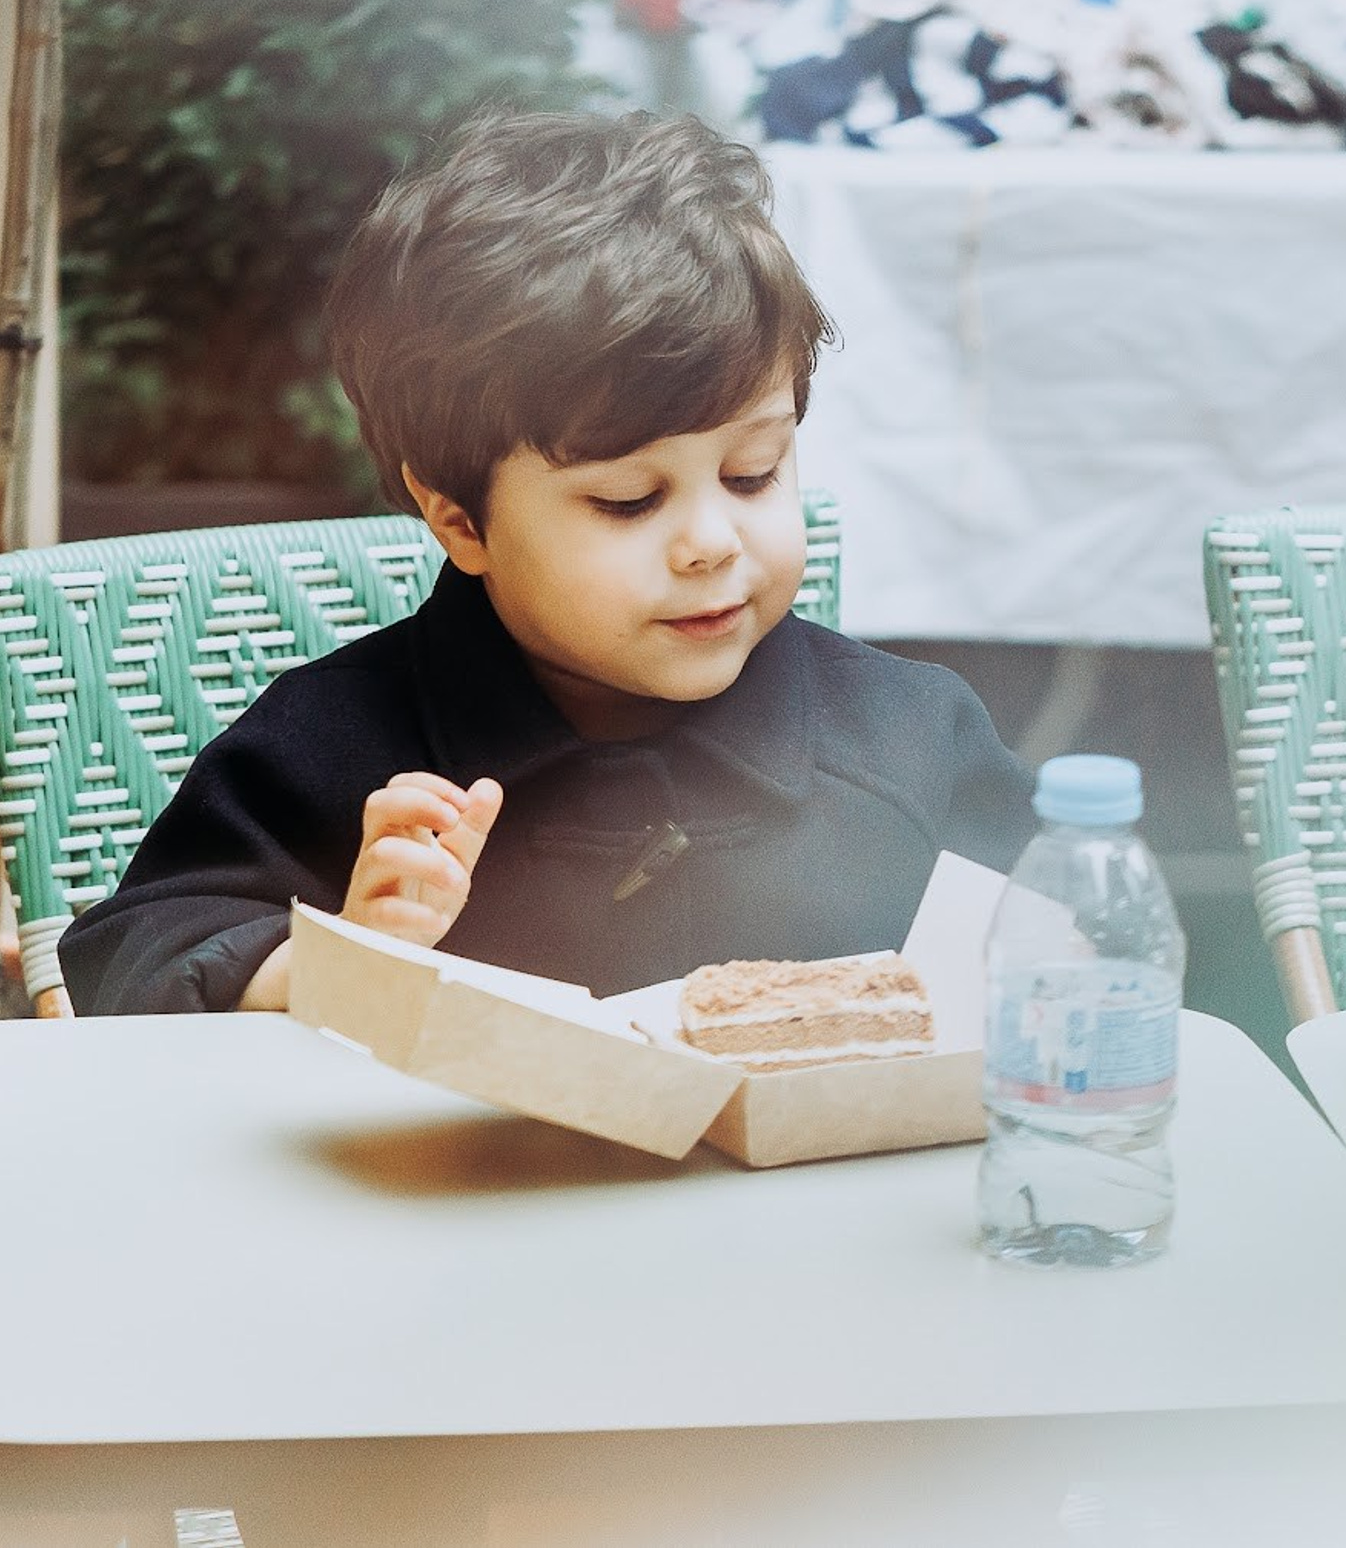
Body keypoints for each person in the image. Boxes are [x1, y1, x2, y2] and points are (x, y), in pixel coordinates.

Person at [59, 110, 1034, 1014]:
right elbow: (130, 961)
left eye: (752, 471)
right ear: (459, 519)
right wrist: (337, 959)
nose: (712, 540)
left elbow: (1063, 950)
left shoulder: (907, 737)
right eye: (627, 499)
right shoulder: (331, 752)